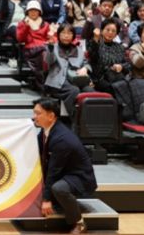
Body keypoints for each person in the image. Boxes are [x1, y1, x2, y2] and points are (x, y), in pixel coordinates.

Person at [33, 97, 97, 235]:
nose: (34, 117)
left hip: (80, 177)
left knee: (59, 188)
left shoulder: (62, 139)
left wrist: (46, 199)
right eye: (34, 113)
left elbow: (53, 171)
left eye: (38, 113)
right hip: (65, 172)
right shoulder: (46, 130)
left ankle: (79, 223)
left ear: (51, 116)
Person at [44, 24, 93, 118]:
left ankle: (91, 119)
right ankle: (75, 118)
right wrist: (50, 47)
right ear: (58, 35)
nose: (66, 36)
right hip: (58, 82)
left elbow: (86, 63)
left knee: (90, 91)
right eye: (63, 33)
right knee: (74, 90)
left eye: (69, 33)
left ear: (73, 35)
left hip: (76, 80)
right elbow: (49, 61)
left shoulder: (78, 49)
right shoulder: (53, 47)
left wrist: (85, 68)